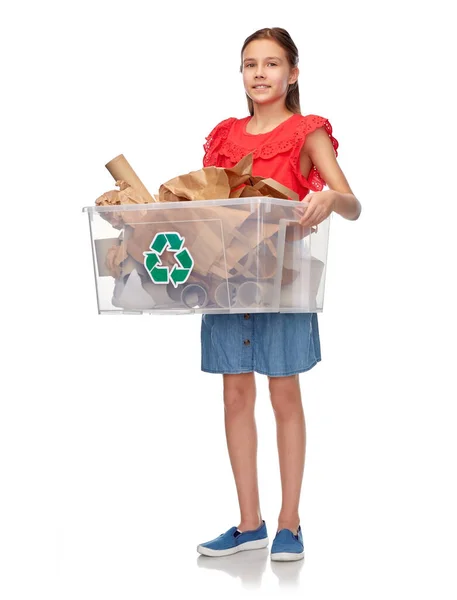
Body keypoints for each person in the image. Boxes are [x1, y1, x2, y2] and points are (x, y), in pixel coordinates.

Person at [197, 27, 361, 562]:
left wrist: (327, 199)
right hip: (225, 279)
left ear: (293, 73)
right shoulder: (224, 135)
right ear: (241, 74)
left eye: (272, 64)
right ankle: (249, 524)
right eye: (250, 64)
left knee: (283, 392)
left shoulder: (307, 132)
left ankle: (290, 521)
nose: (260, 73)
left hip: (284, 277)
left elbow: (352, 203)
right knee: (234, 395)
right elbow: (205, 202)